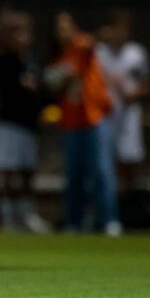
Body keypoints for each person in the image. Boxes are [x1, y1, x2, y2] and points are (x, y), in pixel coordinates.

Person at [44, 12, 120, 236]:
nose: (64, 32)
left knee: (101, 171)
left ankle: (108, 221)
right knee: (74, 175)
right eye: (59, 29)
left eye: (67, 27)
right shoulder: (58, 60)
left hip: (94, 118)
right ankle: (74, 222)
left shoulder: (81, 46)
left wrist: (99, 35)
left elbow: (92, 42)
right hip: (70, 123)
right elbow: (51, 84)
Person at [0, 9, 50, 233]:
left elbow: (40, 90)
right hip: (9, 123)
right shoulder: (4, 61)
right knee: (7, 170)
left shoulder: (32, 60)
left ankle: (26, 215)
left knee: (27, 170)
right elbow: (11, 89)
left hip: (29, 124)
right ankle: (7, 217)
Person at [96, 10, 150, 191]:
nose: (120, 34)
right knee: (107, 160)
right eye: (116, 29)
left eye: (124, 29)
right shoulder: (99, 53)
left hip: (129, 115)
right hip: (105, 115)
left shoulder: (137, 53)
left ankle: (130, 199)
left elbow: (146, 84)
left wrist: (133, 95)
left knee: (131, 158)